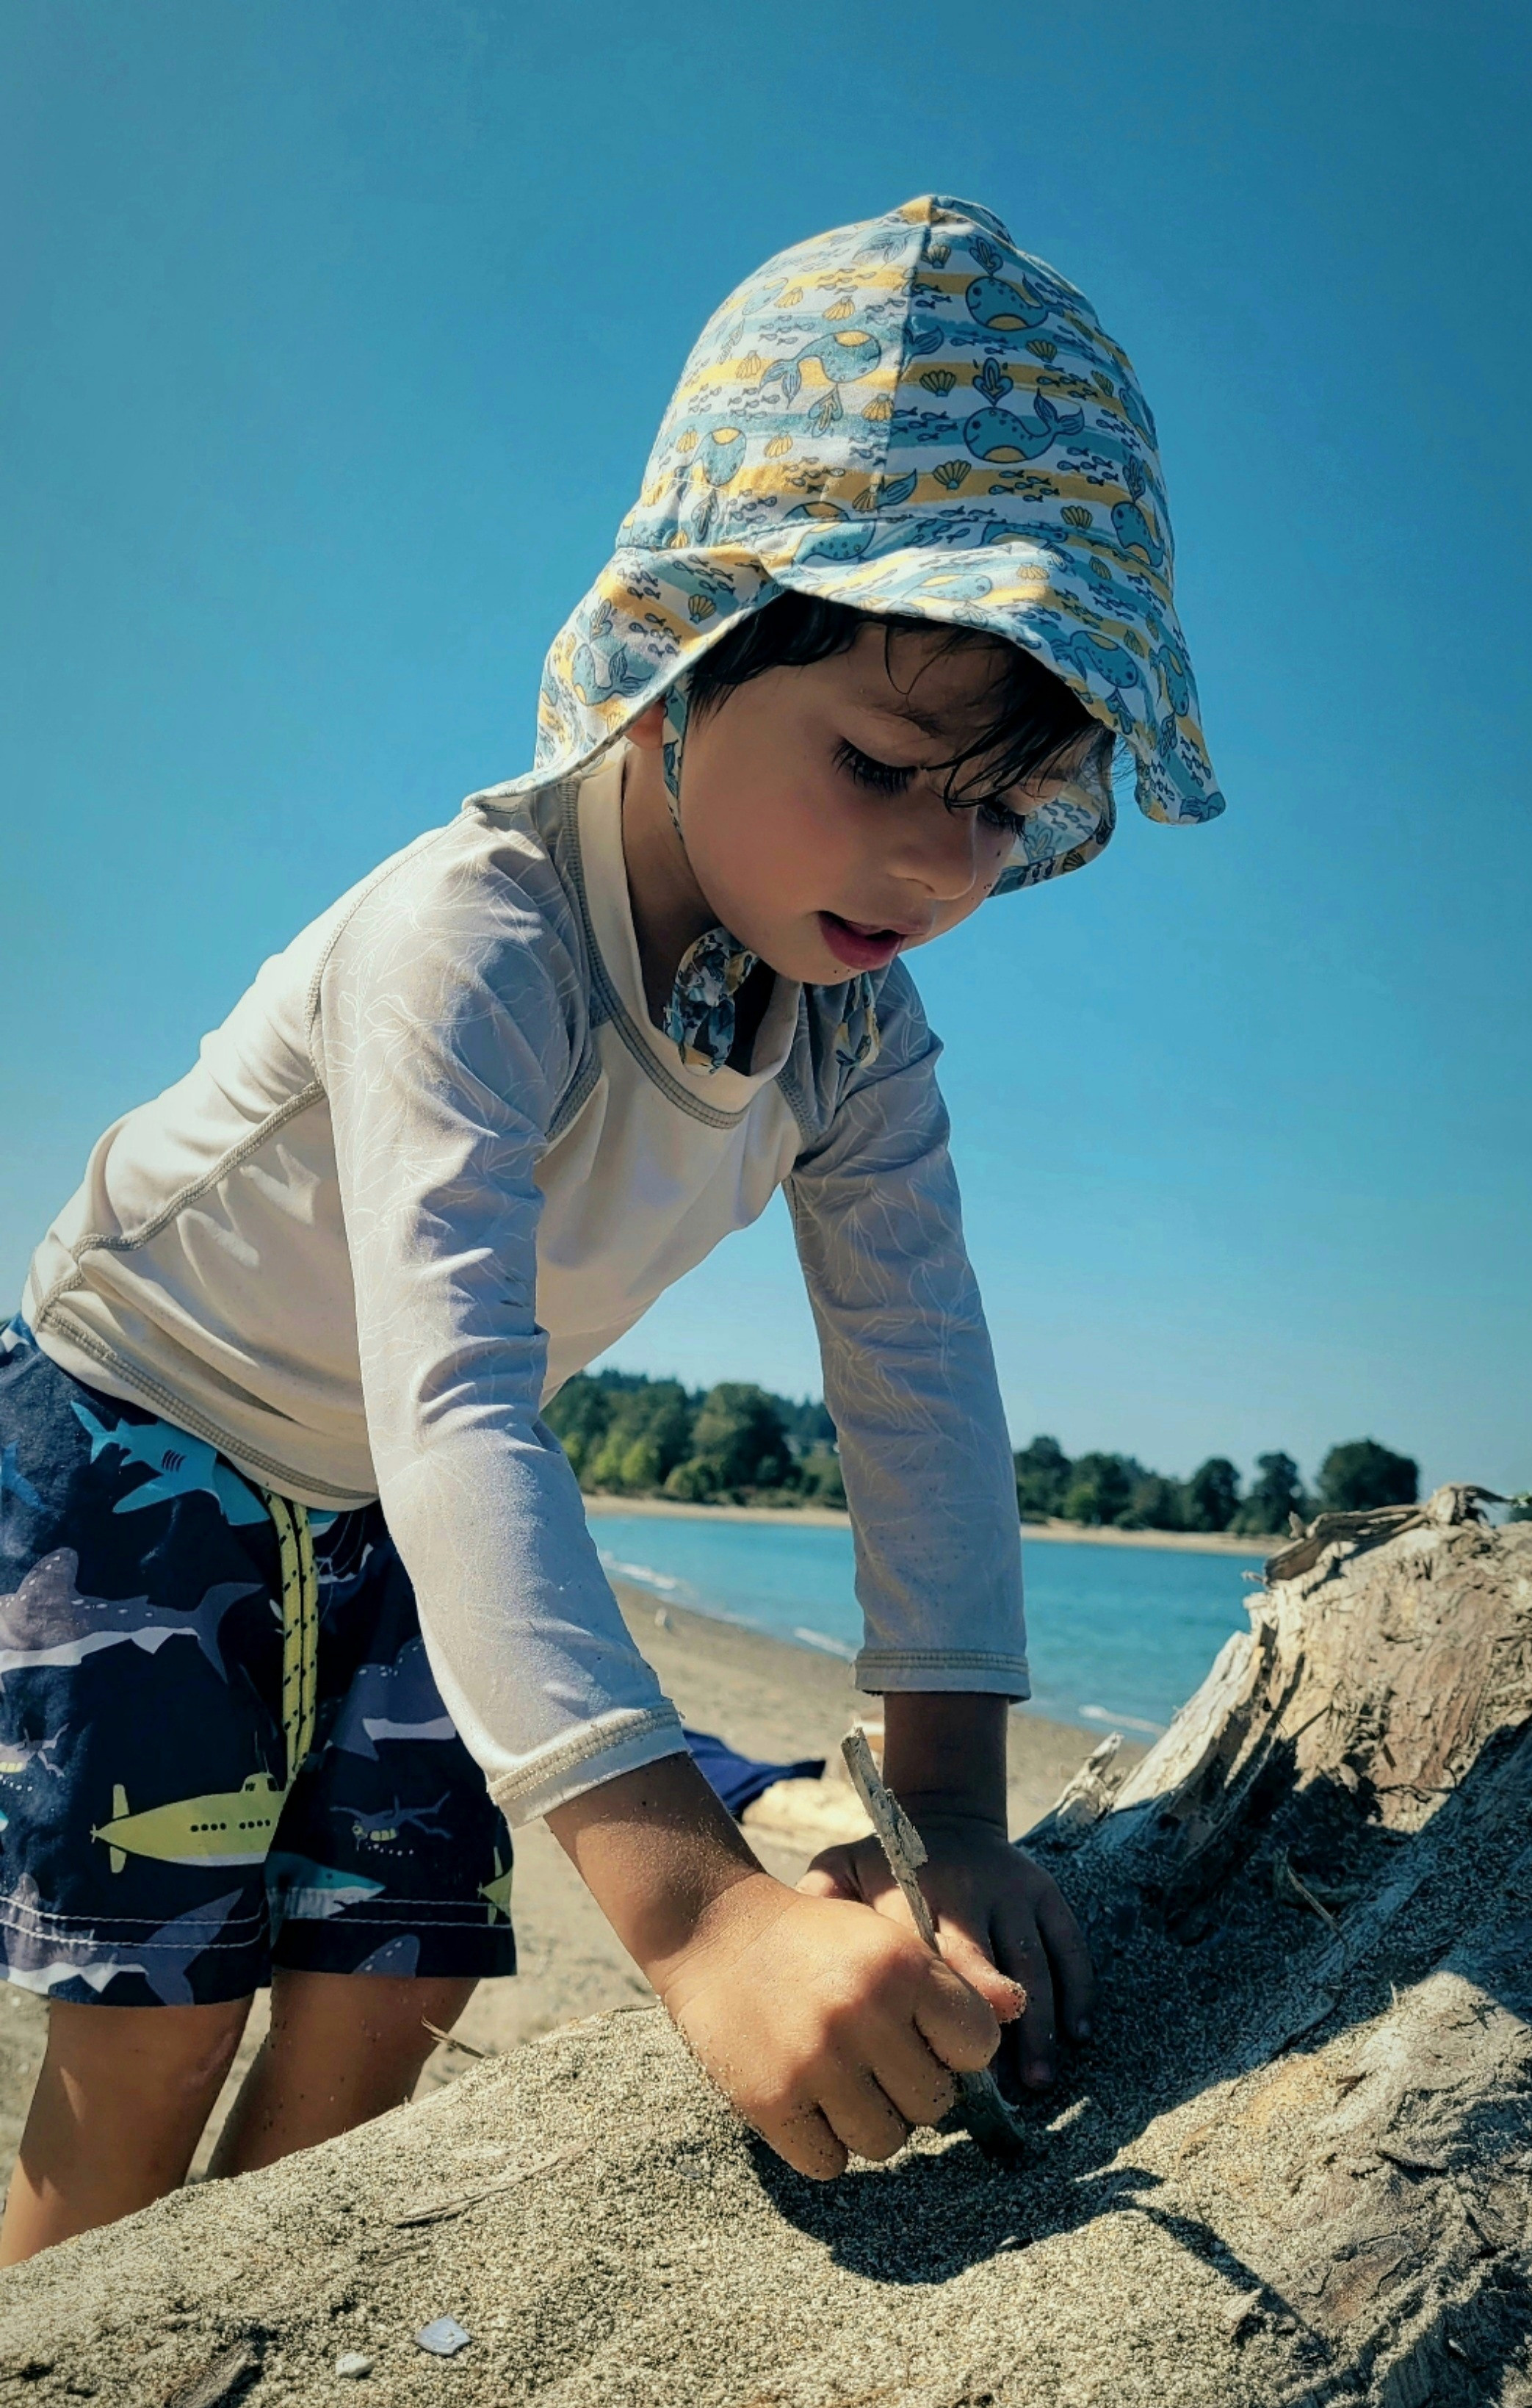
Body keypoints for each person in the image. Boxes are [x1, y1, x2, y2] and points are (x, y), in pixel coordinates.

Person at [0, 195, 1221, 2262]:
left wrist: (947, 1810)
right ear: (682, 656)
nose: (941, 867)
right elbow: (463, 1393)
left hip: (400, 1502)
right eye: (886, 766)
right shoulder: (474, 938)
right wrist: (699, 1920)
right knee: (152, 2036)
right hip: (145, 1430)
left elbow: (918, 1380)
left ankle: (258, 2370)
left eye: (1002, 812)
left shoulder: (852, 1035)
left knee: (386, 2001)